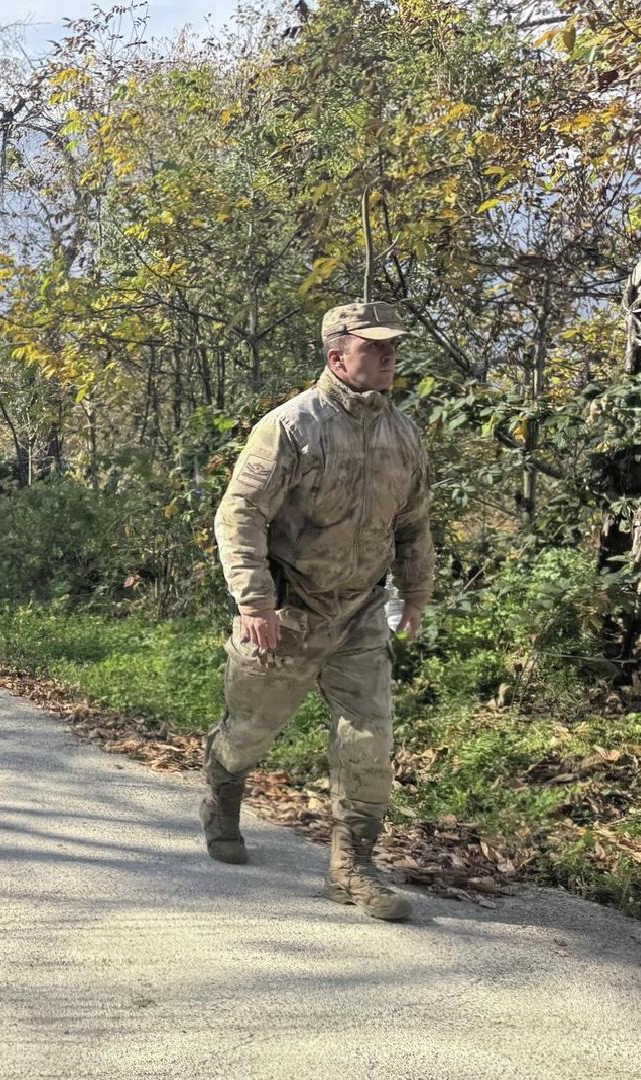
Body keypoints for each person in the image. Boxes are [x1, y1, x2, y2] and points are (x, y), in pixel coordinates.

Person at [206, 301, 433, 922]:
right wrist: (255, 600)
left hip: (360, 613)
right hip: (290, 612)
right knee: (250, 732)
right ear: (337, 356)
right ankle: (223, 783)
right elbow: (241, 513)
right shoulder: (291, 426)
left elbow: (411, 524)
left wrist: (414, 593)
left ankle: (351, 869)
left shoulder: (403, 433)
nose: (389, 357)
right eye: (374, 348)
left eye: (393, 348)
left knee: (370, 738)